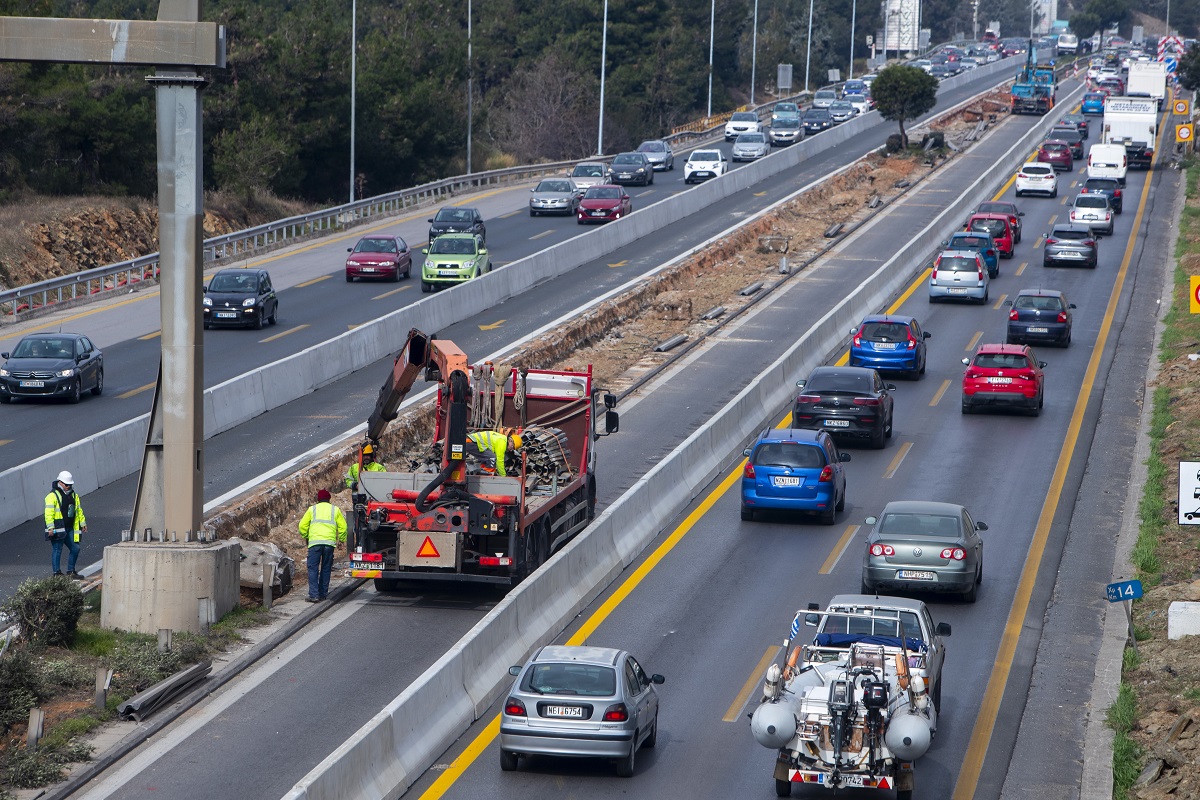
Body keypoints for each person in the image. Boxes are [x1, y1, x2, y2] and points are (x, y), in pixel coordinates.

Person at [298, 489, 347, 602]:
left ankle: (314, 595)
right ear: (329, 499)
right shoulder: (335, 510)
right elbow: (343, 527)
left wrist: (307, 536)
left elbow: (302, 526)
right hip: (329, 544)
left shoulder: (312, 509)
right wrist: (342, 540)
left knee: (313, 569)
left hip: (315, 543)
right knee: (326, 568)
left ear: (318, 499)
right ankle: (323, 594)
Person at [44, 470, 86, 578]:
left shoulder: (74, 495)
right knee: (57, 549)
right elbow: (48, 513)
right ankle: (56, 573)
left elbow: (78, 510)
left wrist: (83, 523)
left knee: (75, 548)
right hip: (58, 528)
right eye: (67, 484)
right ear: (60, 482)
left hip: (70, 527)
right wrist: (50, 527)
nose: (68, 486)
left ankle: (71, 571)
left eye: (70, 484)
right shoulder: (52, 496)